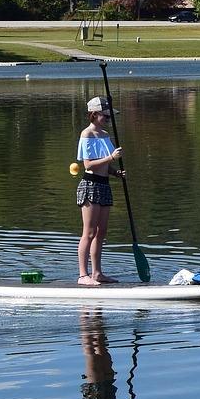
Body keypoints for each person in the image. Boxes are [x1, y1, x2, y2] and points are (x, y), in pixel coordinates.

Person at [76, 95, 125, 286]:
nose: (108, 120)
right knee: (88, 232)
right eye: (106, 116)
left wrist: (115, 173)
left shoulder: (105, 135)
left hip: (104, 185)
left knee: (101, 231)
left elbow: (104, 165)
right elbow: (89, 164)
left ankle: (97, 273)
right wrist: (112, 158)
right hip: (90, 185)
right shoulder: (86, 134)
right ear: (94, 114)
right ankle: (83, 275)